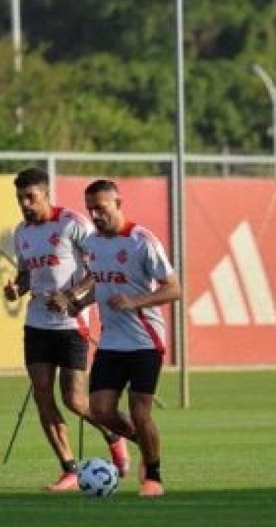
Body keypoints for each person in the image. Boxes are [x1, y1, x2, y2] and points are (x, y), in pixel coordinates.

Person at [3, 168, 130, 491]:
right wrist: (16, 289)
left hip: (72, 322)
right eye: (20, 199)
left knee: (75, 400)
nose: (25, 204)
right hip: (37, 324)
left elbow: (98, 267)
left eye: (30, 197)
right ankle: (69, 468)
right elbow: (25, 275)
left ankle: (114, 435)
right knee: (43, 396)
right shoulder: (21, 232)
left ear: (46, 195)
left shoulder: (73, 223)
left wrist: (72, 295)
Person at [60, 179, 180, 498]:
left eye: (101, 208)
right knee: (100, 410)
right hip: (112, 341)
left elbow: (174, 288)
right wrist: (80, 303)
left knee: (140, 411)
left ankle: (153, 476)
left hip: (145, 340)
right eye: (90, 209)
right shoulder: (95, 244)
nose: (95, 215)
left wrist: (134, 302)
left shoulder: (142, 242)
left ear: (118, 203)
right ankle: (145, 444)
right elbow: (102, 283)